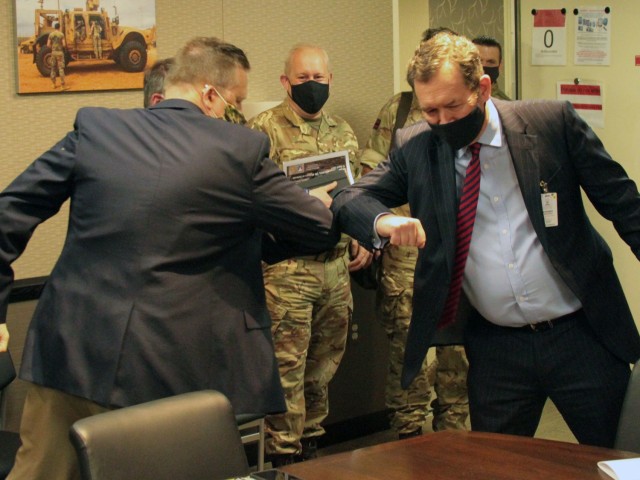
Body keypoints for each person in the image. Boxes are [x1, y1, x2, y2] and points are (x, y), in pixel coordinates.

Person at [0, 36, 339, 480]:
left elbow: (8, 215)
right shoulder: (240, 150)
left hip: (70, 352)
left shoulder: (95, 129)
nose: (230, 114)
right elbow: (319, 227)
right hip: (174, 371)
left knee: (43, 473)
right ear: (209, 93)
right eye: (232, 101)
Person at [332, 32, 640, 448]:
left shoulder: (551, 124)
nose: (441, 121)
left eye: (452, 106)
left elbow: (625, 204)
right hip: (497, 349)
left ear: (483, 88)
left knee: (621, 458)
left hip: (580, 335)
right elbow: (348, 198)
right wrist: (383, 221)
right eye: (430, 110)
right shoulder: (417, 146)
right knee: (495, 465)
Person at [248, 44, 370, 466]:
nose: (312, 86)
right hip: (288, 272)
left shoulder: (344, 131)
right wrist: (299, 202)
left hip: (336, 270)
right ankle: (284, 460)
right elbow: (248, 199)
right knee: (286, 376)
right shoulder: (261, 130)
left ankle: (312, 452)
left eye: (319, 78)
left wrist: (360, 234)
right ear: (285, 82)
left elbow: (356, 193)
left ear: (331, 79)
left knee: (322, 371)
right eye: (303, 79)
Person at [359, 26, 469, 437]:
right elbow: (371, 177)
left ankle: (455, 446)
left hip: (458, 256)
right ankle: (408, 442)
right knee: (411, 360)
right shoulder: (401, 110)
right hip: (407, 260)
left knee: (457, 365)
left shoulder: (476, 113)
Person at [472, 35, 510, 100]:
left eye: (490, 62)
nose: (483, 66)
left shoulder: (505, 107)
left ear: (500, 66)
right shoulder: (454, 98)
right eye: (478, 61)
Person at [47, 22, 67, 90]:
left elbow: (48, 45)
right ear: (59, 27)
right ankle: (62, 85)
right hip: (60, 53)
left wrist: (52, 48)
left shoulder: (51, 34)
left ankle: (53, 84)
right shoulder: (61, 34)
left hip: (53, 53)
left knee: (53, 68)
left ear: (54, 27)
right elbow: (64, 44)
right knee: (61, 69)